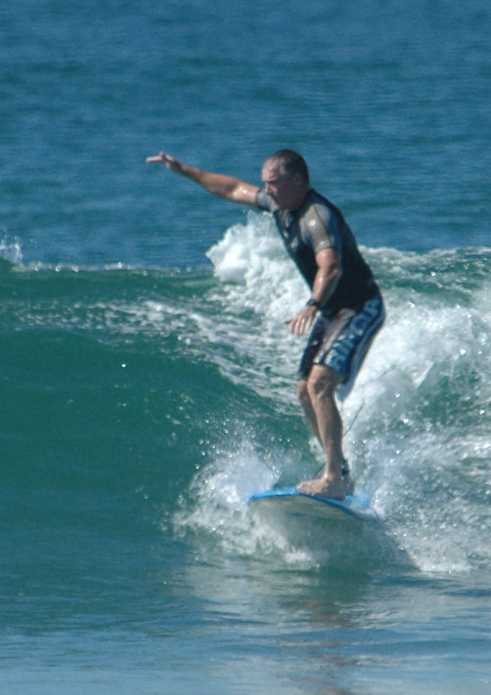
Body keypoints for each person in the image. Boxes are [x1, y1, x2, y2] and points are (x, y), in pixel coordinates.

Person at [148, 148, 384, 497]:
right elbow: (231, 189)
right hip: (333, 310)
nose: (267, 190)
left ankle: (333, 477)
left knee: (320, 384)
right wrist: (185, 171)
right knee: (305, 391)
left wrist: (312, 304)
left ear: (298, 181)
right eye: (265, 185)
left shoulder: (316, 217)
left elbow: (330, 266)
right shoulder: (279, 204)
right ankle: (342, 471)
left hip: (359, 306)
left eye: (274, 184)